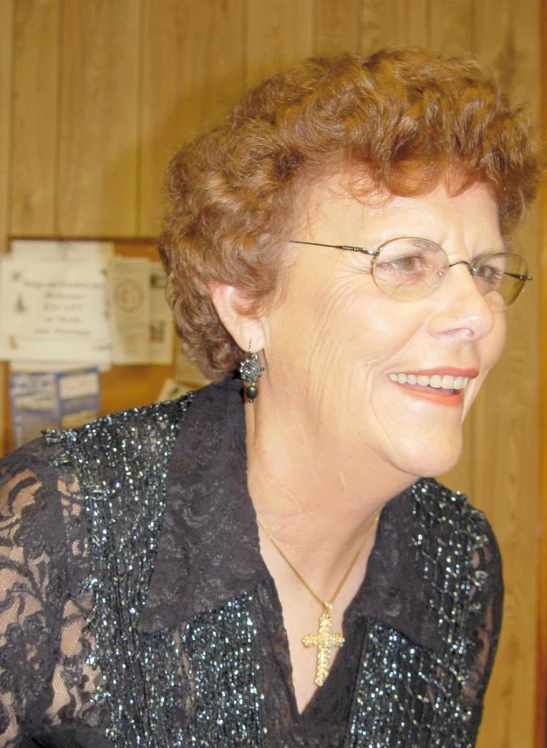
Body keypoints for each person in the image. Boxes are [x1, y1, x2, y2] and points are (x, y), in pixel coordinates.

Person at [0, 47, 540, 748]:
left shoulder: (455, 558)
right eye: (407, 262)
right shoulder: (56, 530)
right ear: (247, 302)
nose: (476, 313)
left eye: (487, 271)